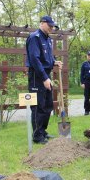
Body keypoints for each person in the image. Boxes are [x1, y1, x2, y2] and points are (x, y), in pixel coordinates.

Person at [26, 15, 63, 144]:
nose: (51, 28)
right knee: (38, 106)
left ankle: (42, 131)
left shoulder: (48, 39)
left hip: (46, 74)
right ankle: (37, 136)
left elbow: (46, 57)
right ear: (42, 23)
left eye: (53, 26)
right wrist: (44, 78)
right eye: (50, 25)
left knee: (47, 105)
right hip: (37, 76)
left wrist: (54, 62)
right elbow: (35, 59)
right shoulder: (34, 38)